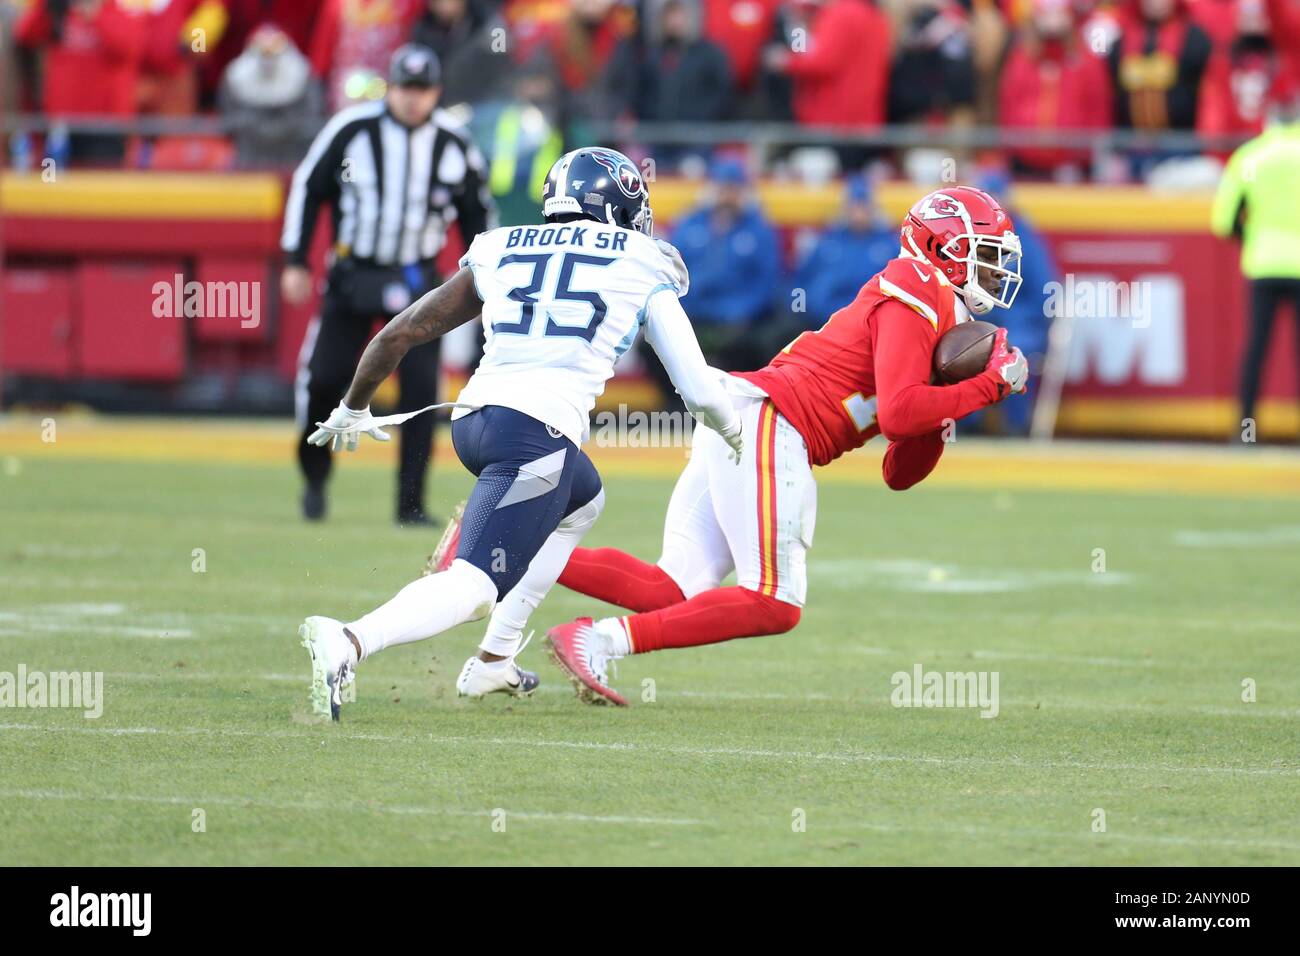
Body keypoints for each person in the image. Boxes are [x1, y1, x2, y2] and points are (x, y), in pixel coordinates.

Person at [536, 186, 1029, 705]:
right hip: (774, 419)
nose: (997, 271)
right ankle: (598, 640)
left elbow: (900, 469)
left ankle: (506, 550)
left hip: (753, 415)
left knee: (671, 588)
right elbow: (900, 413)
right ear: (942, 250)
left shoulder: (941, 315)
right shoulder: (918, 282)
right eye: (988, 253)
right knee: (775, 601)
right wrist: (989, 386)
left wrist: (956, 394)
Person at [297, 147, 743, 720]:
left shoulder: (503, 244)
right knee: (476, 588)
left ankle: (493, 662)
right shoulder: (641, 260)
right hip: (535, 435)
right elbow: (701, 391)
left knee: (583, 500)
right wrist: (732, 433)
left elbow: (403, 331)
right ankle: (350, 641)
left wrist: (353, 407)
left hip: (475, 422)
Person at [281, 44, 495, 525]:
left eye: (422, 90)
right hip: (354, 273)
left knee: (421, 394)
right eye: (405, 88)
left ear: (436, 93)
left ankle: (411, 503)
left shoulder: (454, 144)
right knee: (325, 380)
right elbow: (309, 187)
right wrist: (296, 259)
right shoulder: (351, 130)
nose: (413, 99)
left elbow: (478, 216)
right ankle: (315, 478)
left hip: (420, 280)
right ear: (390, 88)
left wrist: (486, 281)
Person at [1211, 89, 1300, 441]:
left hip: (1263, 262)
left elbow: (1223, 221)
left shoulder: (1250, 157)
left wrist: (1252, 238)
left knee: (1256, 352)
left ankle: (1246, 433)